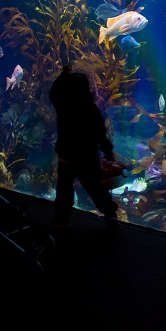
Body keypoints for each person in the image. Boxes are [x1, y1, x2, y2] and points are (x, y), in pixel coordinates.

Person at [48, 63, 119, 227]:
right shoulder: (91, 109)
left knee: (64, 188)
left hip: (67, 156)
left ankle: (62, 217)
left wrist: (63, 75)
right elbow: (101, 134)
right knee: (95, 188)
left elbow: (53, 93)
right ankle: (110, 214)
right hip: (88, 157)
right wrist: (108, 152)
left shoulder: (63, 106)